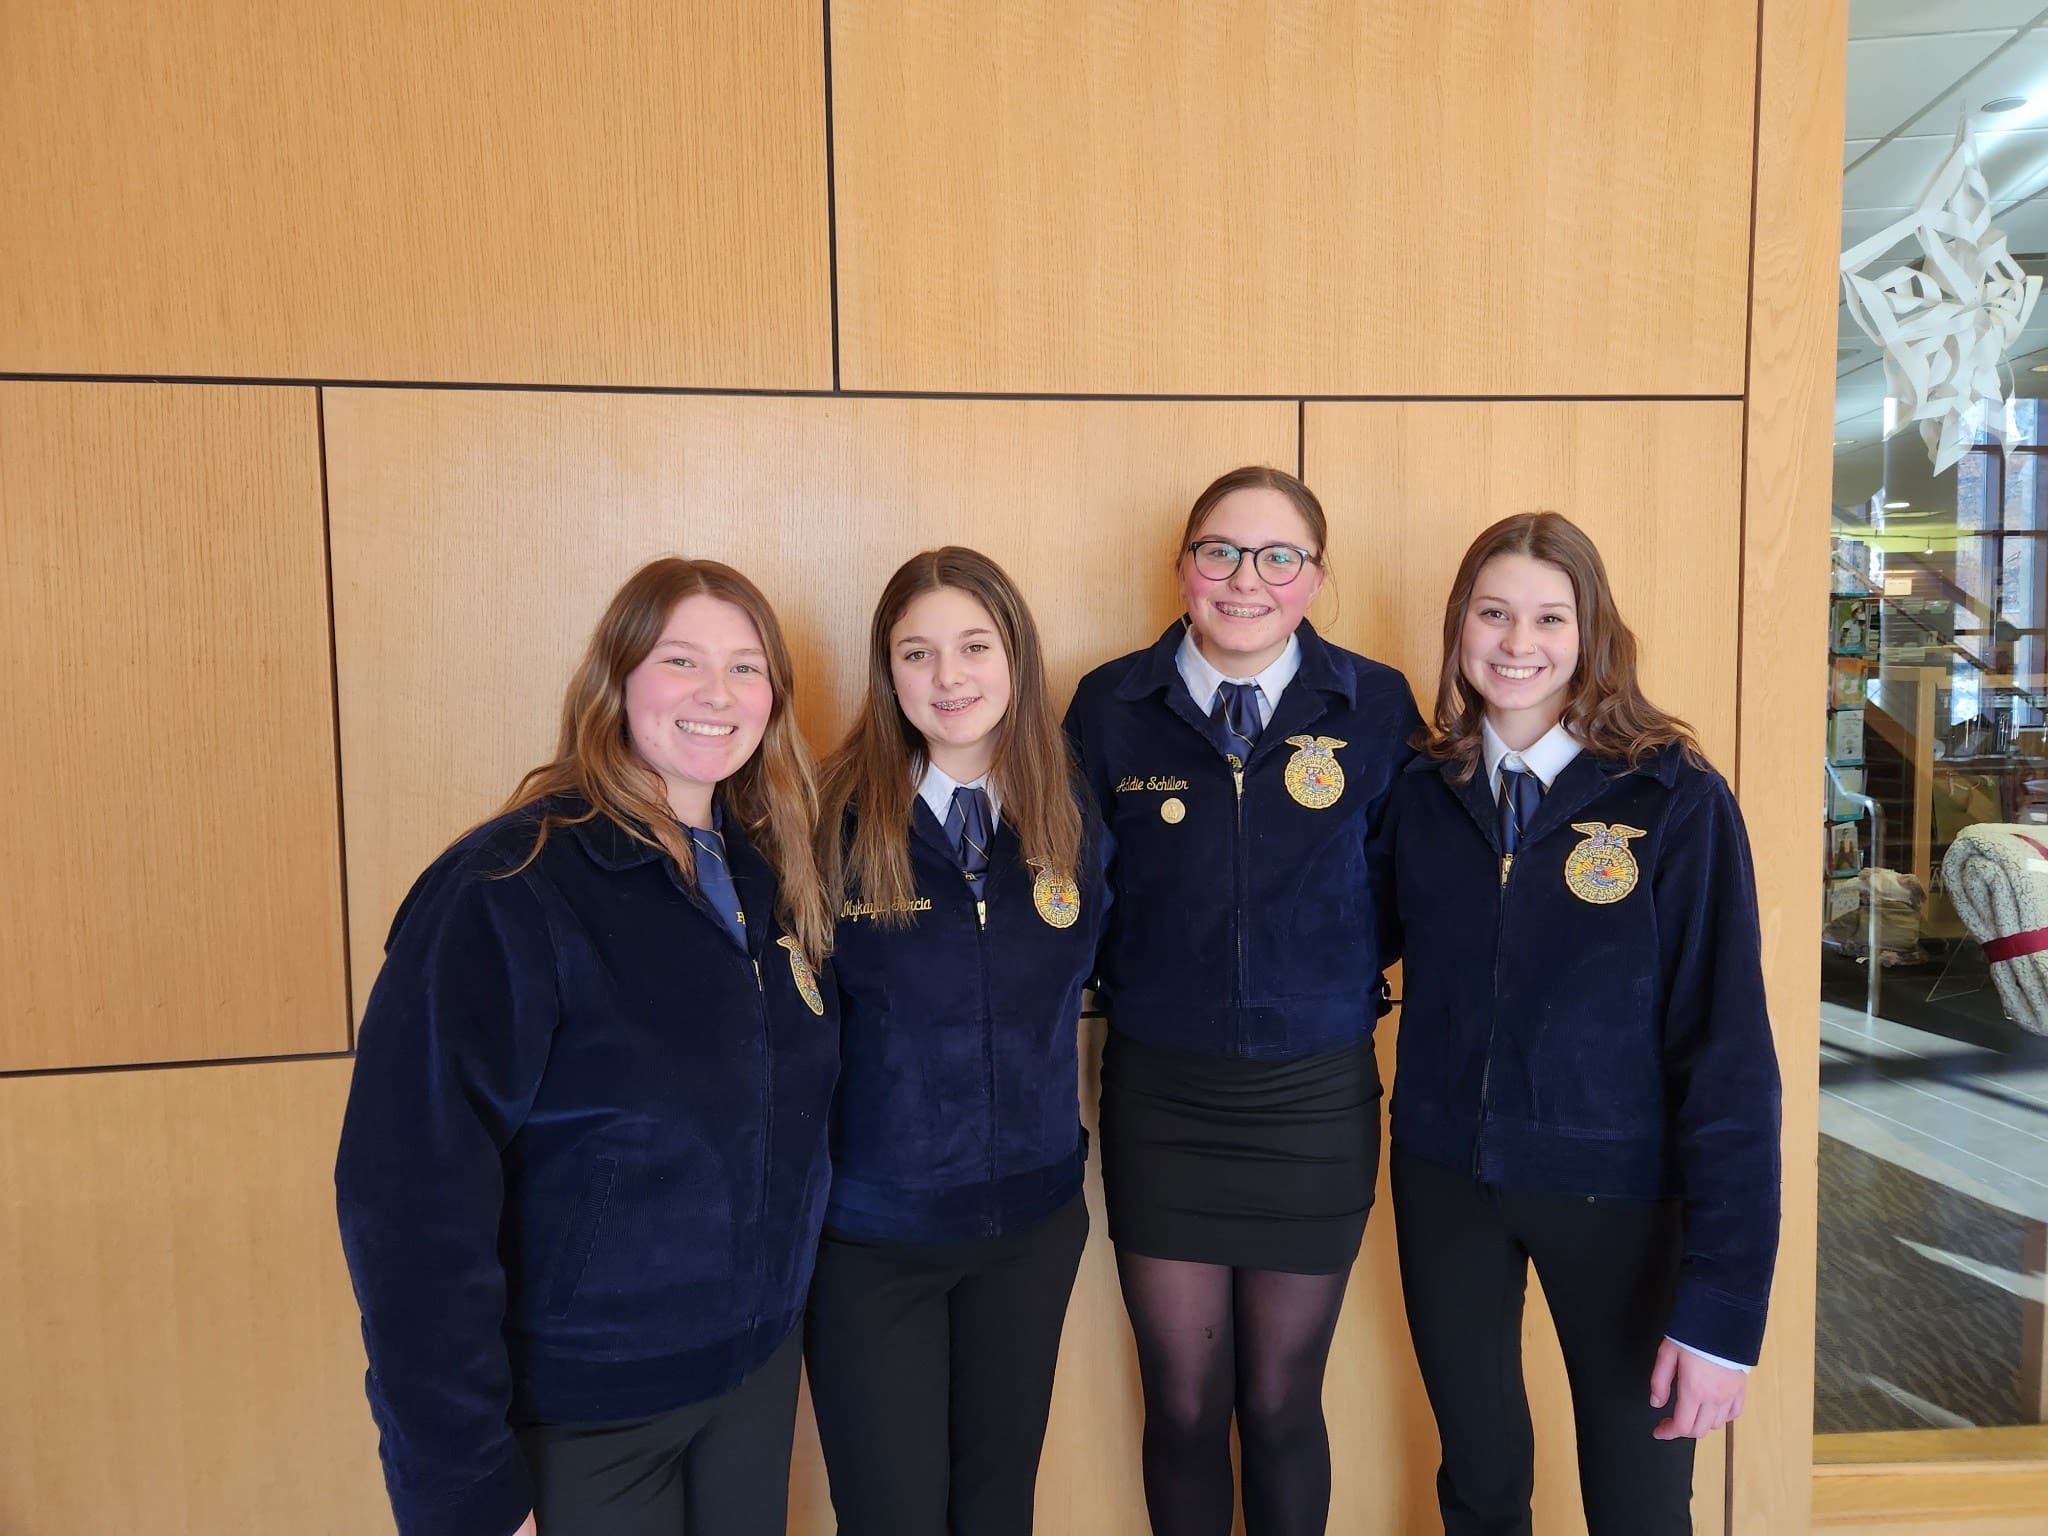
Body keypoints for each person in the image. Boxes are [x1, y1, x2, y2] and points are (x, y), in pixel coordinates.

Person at [335, 557, 838, 1536]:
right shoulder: (508, 887)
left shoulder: (772, 873)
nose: (716, 693)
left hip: (751, 1374)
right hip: (584, 1409)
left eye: (744, 667)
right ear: (615, 678)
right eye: (681, 660)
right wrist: (462, 1487)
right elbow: (406, 1201)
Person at [1387, 511, 1781, 1536]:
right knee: (1478, 1488)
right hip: (1446, 1183)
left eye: (1549, 618)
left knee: (1638, 1506)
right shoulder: (1423, 791)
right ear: (1458, 626)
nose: (1517, 643)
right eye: (1493, 614)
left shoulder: (1672, 797)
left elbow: (1730, 1056)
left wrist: (1726, 1308)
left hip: (1621, 1196)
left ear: (1591, 632)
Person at [1063, 466, 1421, 1536]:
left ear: (1315, 576)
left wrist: (1316, 975)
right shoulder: (1109, 705)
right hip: (1162, 1099)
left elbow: (1402, 886)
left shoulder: (1374, 703)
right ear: (1182, 567)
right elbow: (1079, 891)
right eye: (1219, 551)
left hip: (1313, 1103)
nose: (1245, 579)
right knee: (1181, 1407)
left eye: (1278, 557)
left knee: (1278, 1403)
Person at [805, 546, 1106, 1536]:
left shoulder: (1072, 812)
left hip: (1029, 1225)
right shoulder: (828, 817)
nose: (948, 676)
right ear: (886, 671)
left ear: (1015, 657)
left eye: (974, 646)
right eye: (916, 652)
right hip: (874, 1238)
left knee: (996, 1509)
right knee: (890, 1515)